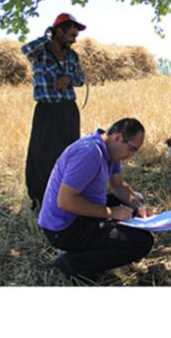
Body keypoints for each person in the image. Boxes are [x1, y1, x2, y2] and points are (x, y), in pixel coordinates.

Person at [38, 118, 154, 282]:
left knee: (137, 199)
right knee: (142, 242)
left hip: (79, 214)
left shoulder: (109, 151)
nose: (131, 156)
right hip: (64, 228)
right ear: (118, 138)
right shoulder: (89, 153)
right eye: (132, 149)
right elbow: (65, 201)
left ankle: (91, 250)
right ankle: (74, 264)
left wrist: (140, 206)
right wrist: (110, 212)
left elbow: (119, 186)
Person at [21, 13, 87, 209]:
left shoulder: (72, 56)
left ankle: (66, 195)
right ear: (59, 31)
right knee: (42, 154)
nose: (74, 40)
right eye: (71, 35)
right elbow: (25, 49)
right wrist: (48, 36)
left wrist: (69, 79)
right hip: (47, 111)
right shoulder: (39, 52)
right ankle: (41, 197)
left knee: (68, 153)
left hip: (68, 110)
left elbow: (81, 78)